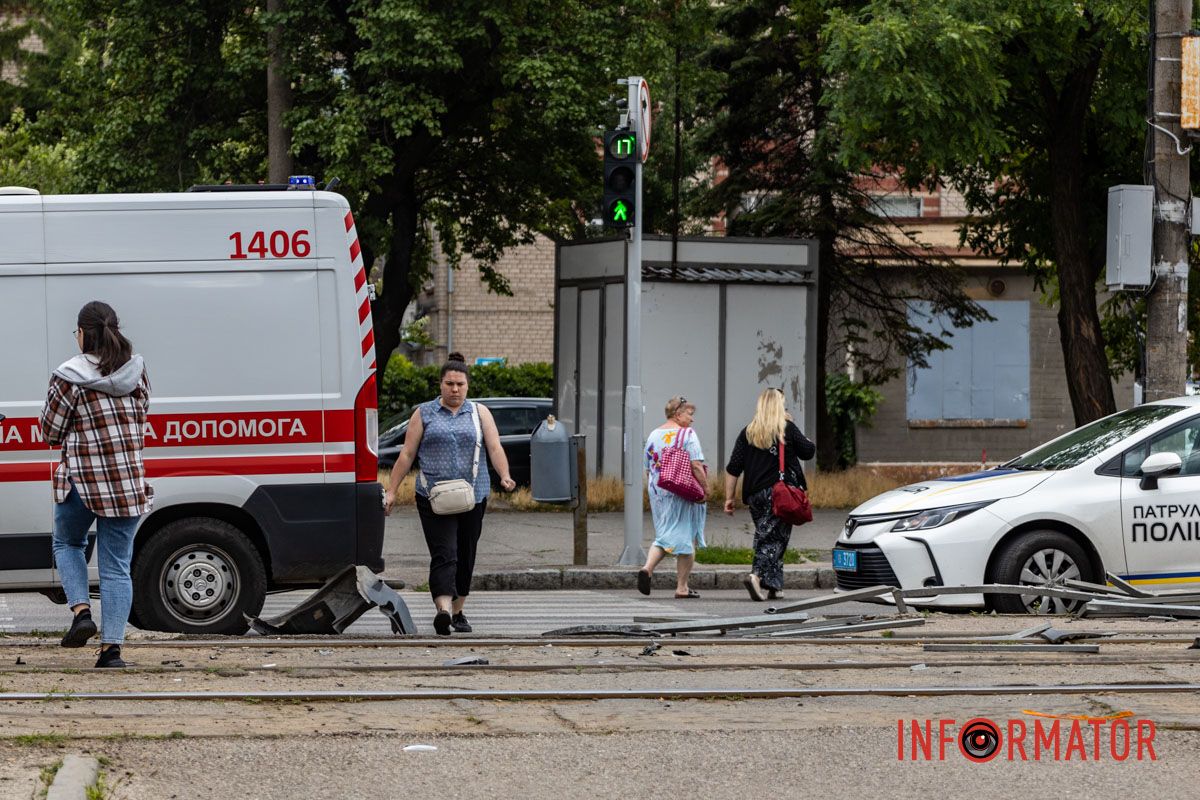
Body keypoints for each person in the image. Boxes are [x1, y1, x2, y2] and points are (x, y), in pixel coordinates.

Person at [41, 301, 152, 668]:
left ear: (84, 333)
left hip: (83, 483)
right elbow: (143, 411)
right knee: (117, 565)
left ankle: (81, 611)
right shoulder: (136, 370)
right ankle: (111, 652)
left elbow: (51, 432)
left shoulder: (69, 376)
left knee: (67, 542)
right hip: (126, 483)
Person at [383, 353, 516, 635]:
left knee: (466, 554)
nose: (454, 389)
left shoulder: (479, 413)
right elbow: (407, 454)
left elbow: (494, 447)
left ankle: (458, 612)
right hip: (433, 496)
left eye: (460, 384)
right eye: (449, 384)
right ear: (440, 385)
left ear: (467, 386)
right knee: (445, 553)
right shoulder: (423, 413)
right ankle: (442, 610)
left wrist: (504, 476)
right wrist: (392, 491)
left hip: (473, 495)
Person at [724, 388, 815, 602]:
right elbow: (808, 451)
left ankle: (774, 585)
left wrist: (729, 498)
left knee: (771, 535)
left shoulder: (748, 432)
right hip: (779, 493)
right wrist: (802, 433)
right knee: (773, 538)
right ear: (779, 406)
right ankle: (755, 576)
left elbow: (733, 467)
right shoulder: (787, 429)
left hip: (755, 494)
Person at [637, 396, 708, 599]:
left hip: (658, 490)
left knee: (665, 533)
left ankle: (647, 568)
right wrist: (705, 489)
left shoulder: (653, 435)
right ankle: (682, 587)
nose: (692, 420)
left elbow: (648, 468)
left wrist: (654, 490)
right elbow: (696, 466)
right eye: (689, 414)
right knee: (686, 536)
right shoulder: (688, 434)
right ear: (678, 414)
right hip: (681, 491)